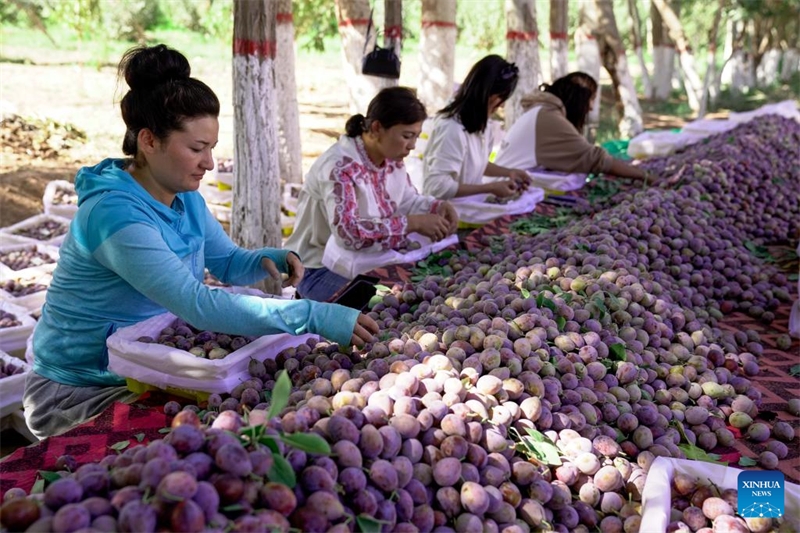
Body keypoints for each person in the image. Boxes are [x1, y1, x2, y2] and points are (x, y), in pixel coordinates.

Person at [23, 44, 378, 440]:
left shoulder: (183, 196)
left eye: (211, 148)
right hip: (78, 389)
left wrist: (269, 259)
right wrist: (313, 316)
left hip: (146, 368)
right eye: (196, 148)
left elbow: (226, 261)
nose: (209, 162)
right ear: (148, 141)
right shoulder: (113, 215)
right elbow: (196, 304)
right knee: (201, 440)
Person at [286, 86, 459, 303]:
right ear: (377, 128)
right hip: (316, 268)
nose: (413, 146)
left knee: (426, 289)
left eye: (416, 136)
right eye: (407, 136)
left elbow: (406, 200)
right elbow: (349, 234)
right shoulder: (339, 167)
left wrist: (436, 206)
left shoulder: (391, 160)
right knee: (386, 305)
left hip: (366, 260)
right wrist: (412, 223)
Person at [494, 72, 648, 180]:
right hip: (502, 189)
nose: (591, 108)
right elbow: (594, 158)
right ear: (577, 99)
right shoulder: (548, 117)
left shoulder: (544, 111)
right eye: (591, 99)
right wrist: (644, 176)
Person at [422, 54, 531, 201]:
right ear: (486, 93)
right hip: (446, 212)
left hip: (469, 208)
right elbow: (437, 187)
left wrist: (509, 172)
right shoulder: (452, 129)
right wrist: (490, 188)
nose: (502, 105)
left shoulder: (483, 126)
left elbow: (477, 165)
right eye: (500, 98)